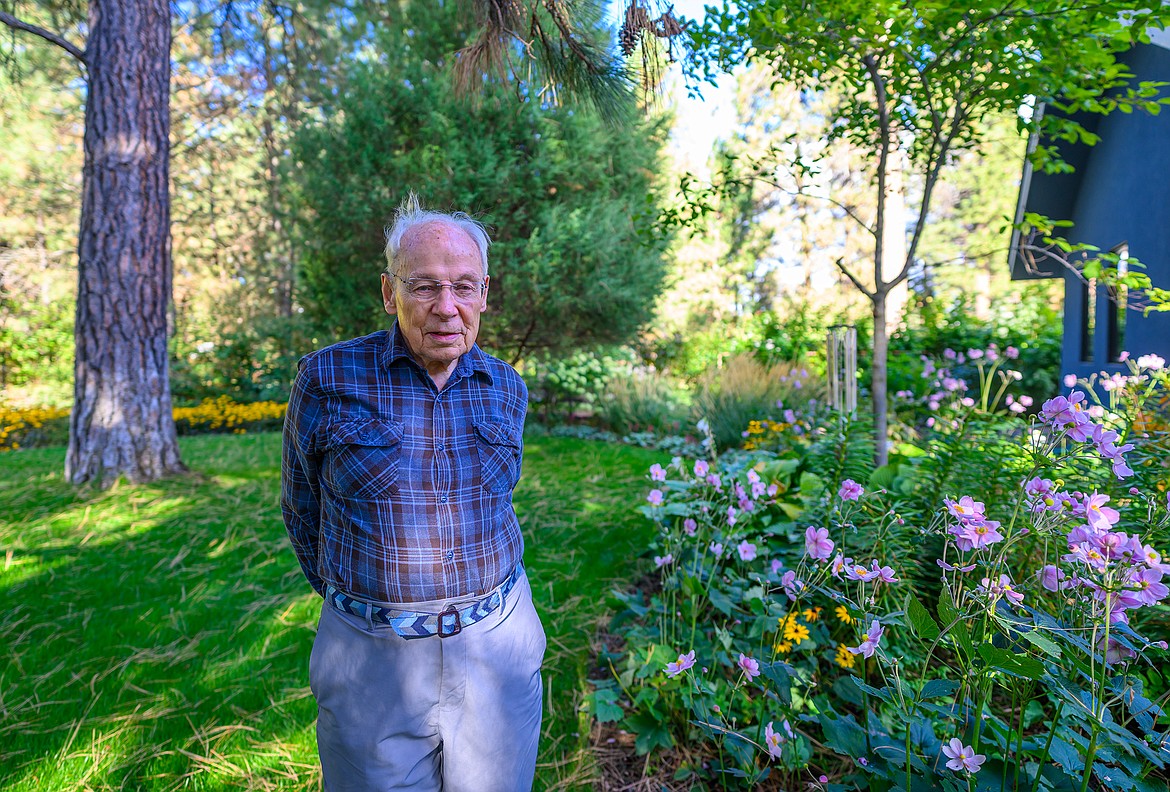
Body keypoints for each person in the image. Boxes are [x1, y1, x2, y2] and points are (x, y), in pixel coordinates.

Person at [281, 194, 544, 791]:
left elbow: (498, 499)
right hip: (371, 656)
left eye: (463, 286)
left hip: (497, 643)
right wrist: (371, 609)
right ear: (387, 292)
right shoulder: (325, 378)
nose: (446, 308)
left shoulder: (507, 386)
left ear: (484, 294)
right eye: (423, 286)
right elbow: (301, 507)